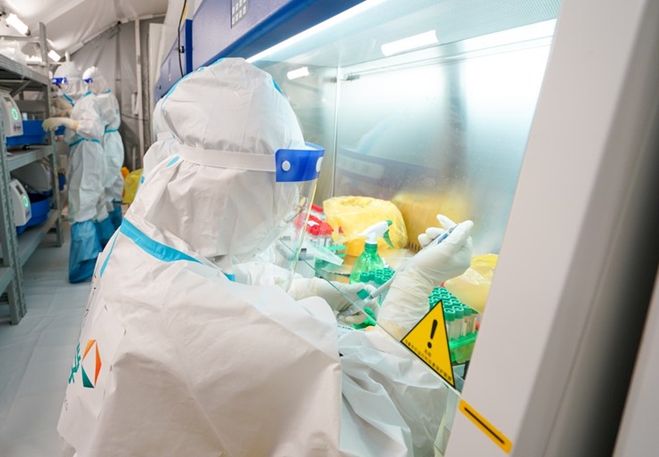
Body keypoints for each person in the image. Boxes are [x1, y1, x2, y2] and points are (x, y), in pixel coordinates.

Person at [58, 58, 473, 456]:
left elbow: (214, 277)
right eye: (282, 187)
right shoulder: (215, 328)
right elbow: (383, 427)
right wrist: (412, 294)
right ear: (237, 186)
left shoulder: (138, 239)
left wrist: (302, 288)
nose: (290, 203)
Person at [43, 62, 105, 283]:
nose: (60, 90)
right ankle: (99, 253)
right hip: (86, 154)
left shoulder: (88, 102)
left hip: (87, 155)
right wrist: (67, 113)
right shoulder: (83, 102)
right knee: (89, 204)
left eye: (62, 85)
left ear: (70, 83)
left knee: (81, 206)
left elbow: (93, 128)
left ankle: (85, 264)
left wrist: (63, 120)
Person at [83, 66, 124, 244]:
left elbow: (94, 124)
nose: (87, 87)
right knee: (113, 184)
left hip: (108, 142)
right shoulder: (107, 96)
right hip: (113, 141)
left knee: (106, 185)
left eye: (89, 82)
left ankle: (108, 235)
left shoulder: (102, 99)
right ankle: (116, 230)